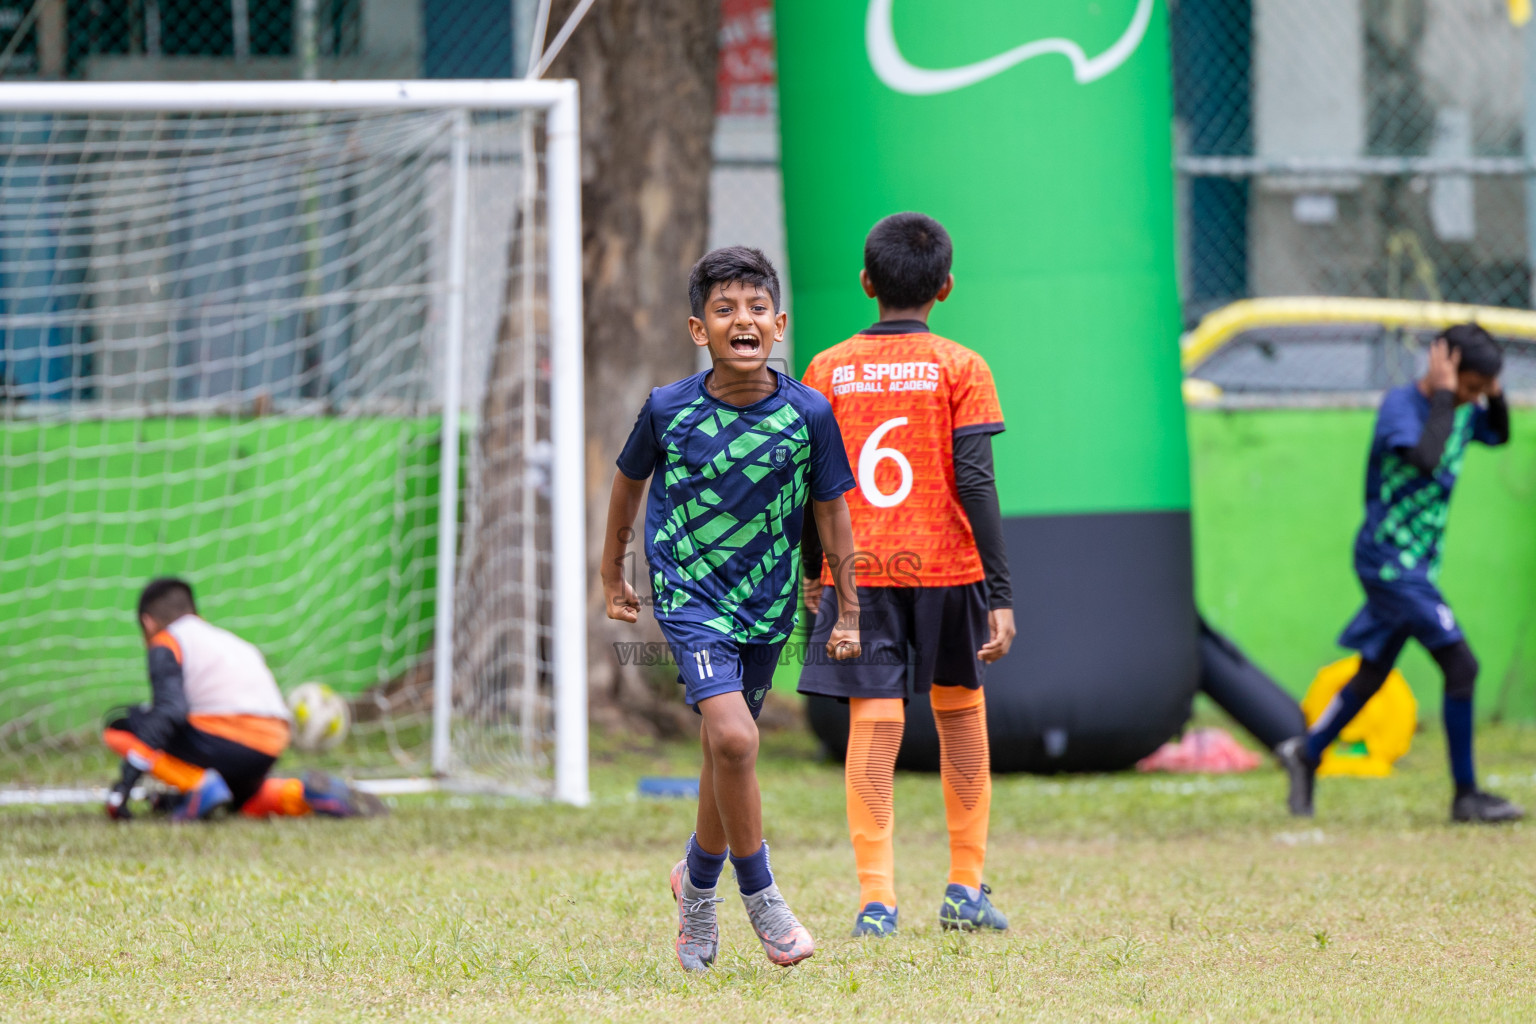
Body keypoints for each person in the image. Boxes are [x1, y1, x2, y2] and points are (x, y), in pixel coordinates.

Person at [601, 246, 862, 971]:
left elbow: (833, 513)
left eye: (754, 309)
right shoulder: (668, 408)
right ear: (698, 329)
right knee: (739, 740)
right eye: (724, 309)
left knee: (728, 746)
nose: (740, 320)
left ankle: (695, 883)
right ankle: (762, 898)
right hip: (689, 596)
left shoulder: (809, 412)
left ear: (778, 324)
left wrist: (849, 608)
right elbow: (627, 486)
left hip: (768, 603)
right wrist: (612, 573)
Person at [797, 212, 1016, 938]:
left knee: (876, 719)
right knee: (960, 716)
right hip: (948, 569)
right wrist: (1002, 593)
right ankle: (964, 887)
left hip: (859, 573)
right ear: (945, 287)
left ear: (867, 283)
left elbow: (815, 484)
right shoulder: (963, 366)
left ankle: (876, 901)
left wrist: (813, 572)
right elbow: (976, 483)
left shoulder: (826, 369)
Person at [1277, 324, 1521, 823]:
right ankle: (1465, 795)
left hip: (1418, 568)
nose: (1473, 399)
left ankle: (1306, 753)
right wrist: (1448, 393)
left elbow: (1499, 434)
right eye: (1470, 386)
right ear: (1443, 364)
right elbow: (1426, 459)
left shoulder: (1462, 410)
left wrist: (1491, 394)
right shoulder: (1403, 408)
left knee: (1372, 673)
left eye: (1479, 390)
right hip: (1388, 564)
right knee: (1462, 666)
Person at [103, 577, 381, 822]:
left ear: (147, 622)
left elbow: (172, 711)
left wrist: (126, 781)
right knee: (239, 800)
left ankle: (200, 785)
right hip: (271, 745)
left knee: (120, 724)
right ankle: (295, 794)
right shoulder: (228, 641)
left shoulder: (167, 640)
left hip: (227, 737)